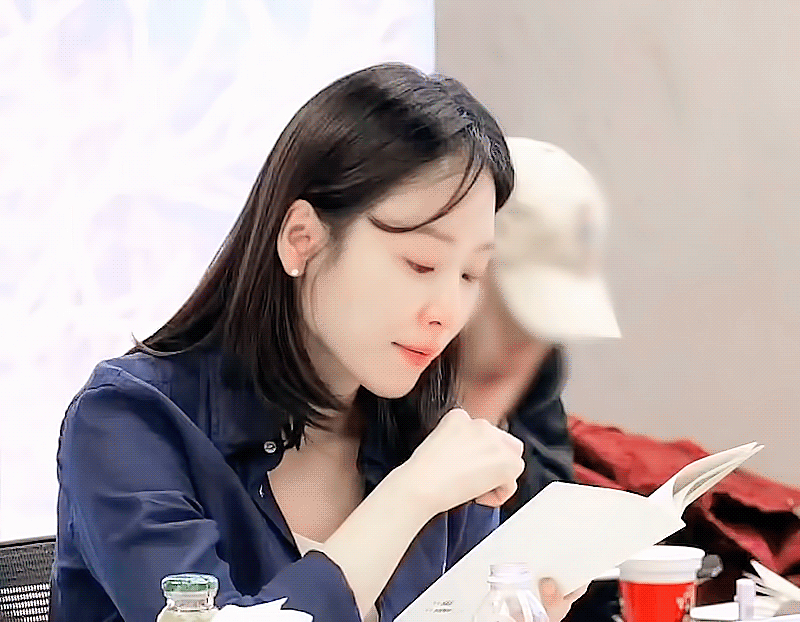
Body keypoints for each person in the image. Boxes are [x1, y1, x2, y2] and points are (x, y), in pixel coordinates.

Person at [51, 63, 527, 622]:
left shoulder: (430, 434)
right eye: (420, 263)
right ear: (302, 240)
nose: (446, 313)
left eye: (471, 275)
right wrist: (410, 496)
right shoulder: (128, 421)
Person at [459, 137, 622, 622]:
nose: (527, 345)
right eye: (514, 316)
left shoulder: (538, 365)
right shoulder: (377, 376)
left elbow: (552, 514)